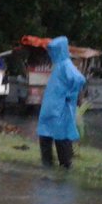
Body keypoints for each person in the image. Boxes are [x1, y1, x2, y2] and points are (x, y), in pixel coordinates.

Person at [36, 36, 86, 169]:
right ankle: (48, 165)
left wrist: (71, 96)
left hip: (60, 108)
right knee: (46, 135)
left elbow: (78, 79)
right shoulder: (59, 65)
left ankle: (65, 165)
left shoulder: (65, 65)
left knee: (61, 137)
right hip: (51, 108)